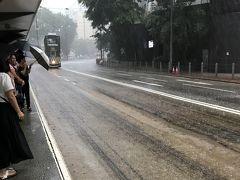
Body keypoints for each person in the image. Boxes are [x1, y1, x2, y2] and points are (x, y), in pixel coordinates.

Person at [0, 58, 33, 179]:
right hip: (4, 110)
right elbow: (10, 96)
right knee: (7, 137)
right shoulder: (3, 76)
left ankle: (4, 165)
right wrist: (19, 111)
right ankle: (3, 170)